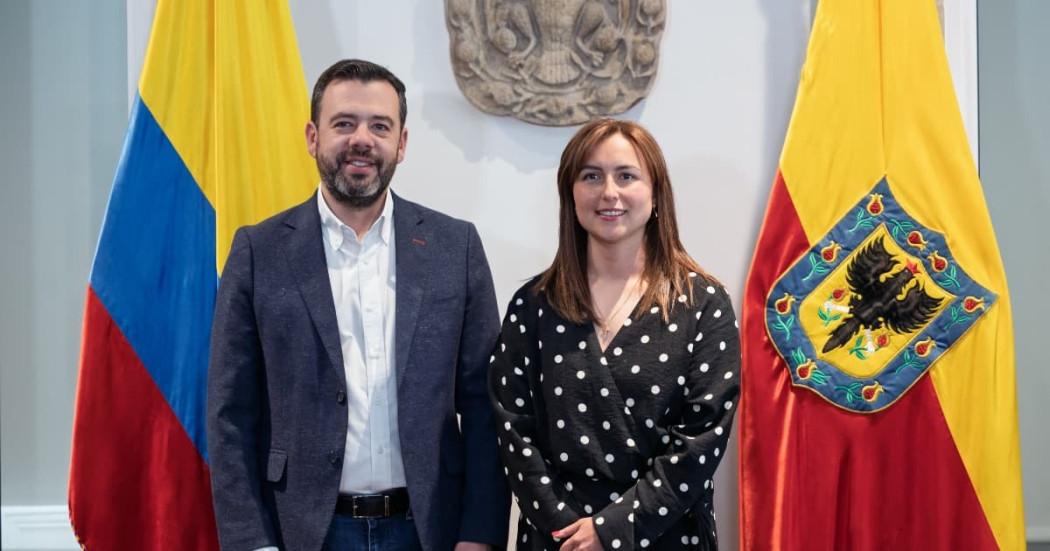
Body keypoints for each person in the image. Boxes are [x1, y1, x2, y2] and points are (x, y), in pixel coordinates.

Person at [207, 59, 509, 551]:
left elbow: (484, 404)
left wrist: (480, 533)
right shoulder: (258, 252)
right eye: (343, 123)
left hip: (428, 529)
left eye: (380, 126)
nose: (361, 139)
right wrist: (251, 542)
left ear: (402, 144)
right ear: (312, 137)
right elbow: (230, 413)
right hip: (302, 532)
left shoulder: (457, 248)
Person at [488, 119, 740, 550]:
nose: (609, 192)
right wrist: (569, 531)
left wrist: (611, 531)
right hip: (557, 539)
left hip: (667, 536)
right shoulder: (532, 305)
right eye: (591, 176)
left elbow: (702, 439)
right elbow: (513, 430)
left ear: (656, 192)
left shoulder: (704, 304)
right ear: (570, 193)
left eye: (626, 175)